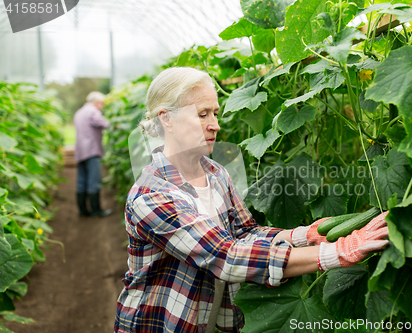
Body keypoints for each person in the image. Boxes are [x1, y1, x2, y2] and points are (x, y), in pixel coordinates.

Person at [114, 67, 389, 333]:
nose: (215, 125)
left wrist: (303, 235)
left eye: (215, 113)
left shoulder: (215, 172)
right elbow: (226, 255)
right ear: (167, 118)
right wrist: (335, 253)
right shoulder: (151, 196)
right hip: (161, 324)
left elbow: (244, 233)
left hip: (209, 319)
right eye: (202, 114)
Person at [74, 91, 113, 218]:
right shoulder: (93, 111)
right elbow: (104, 124)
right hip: (91, 150)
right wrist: (114, 125)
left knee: (82, 181)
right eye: (102, 104)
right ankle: (96, 211)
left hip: (80, 151)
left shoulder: (79, 112)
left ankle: (83, 210)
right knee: (94, 181)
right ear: (97, 103)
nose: (102, 106)